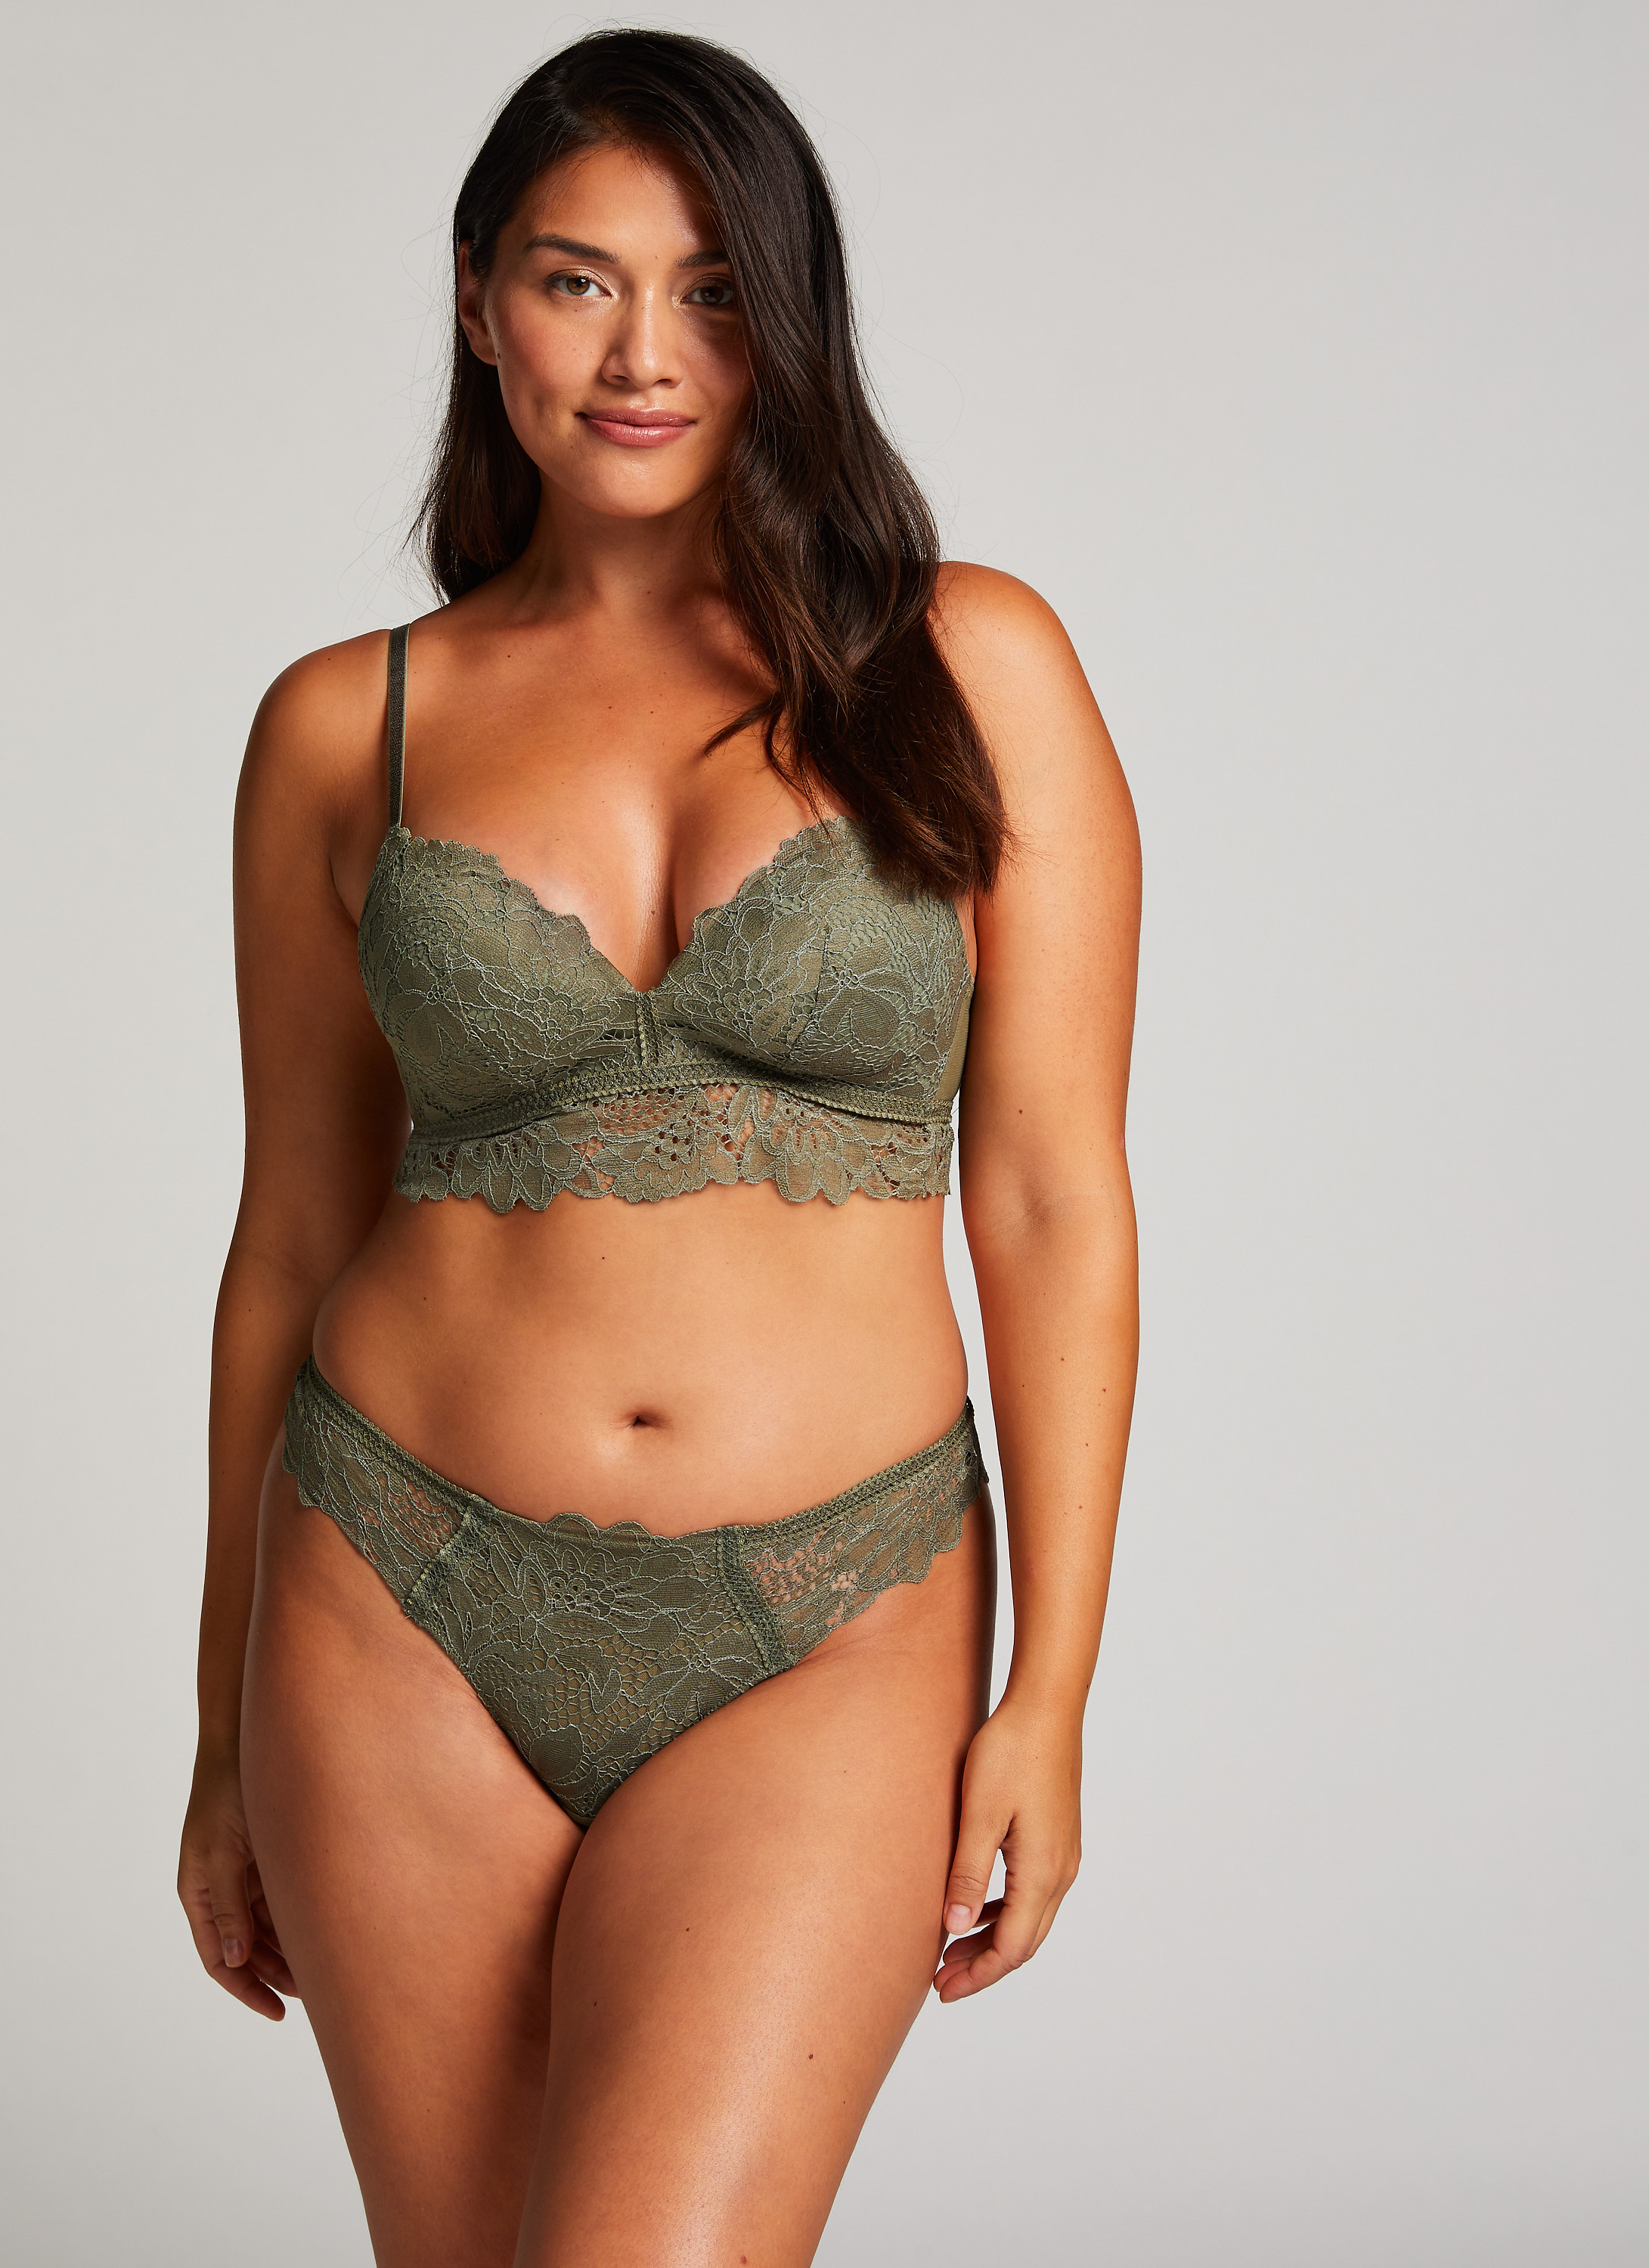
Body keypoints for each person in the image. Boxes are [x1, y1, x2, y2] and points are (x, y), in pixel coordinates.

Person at [177, 27, 1139, 2266]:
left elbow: (1052, 1203)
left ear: (788, 316)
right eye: (574, 280)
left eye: (710, 290)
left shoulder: (971, 666)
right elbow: (287, 1235)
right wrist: (217, 1733)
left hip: (834, 1617)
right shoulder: (344, 726)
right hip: (389, 1598)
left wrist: (1054, 1692)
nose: (641, 355)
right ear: (476, 302)